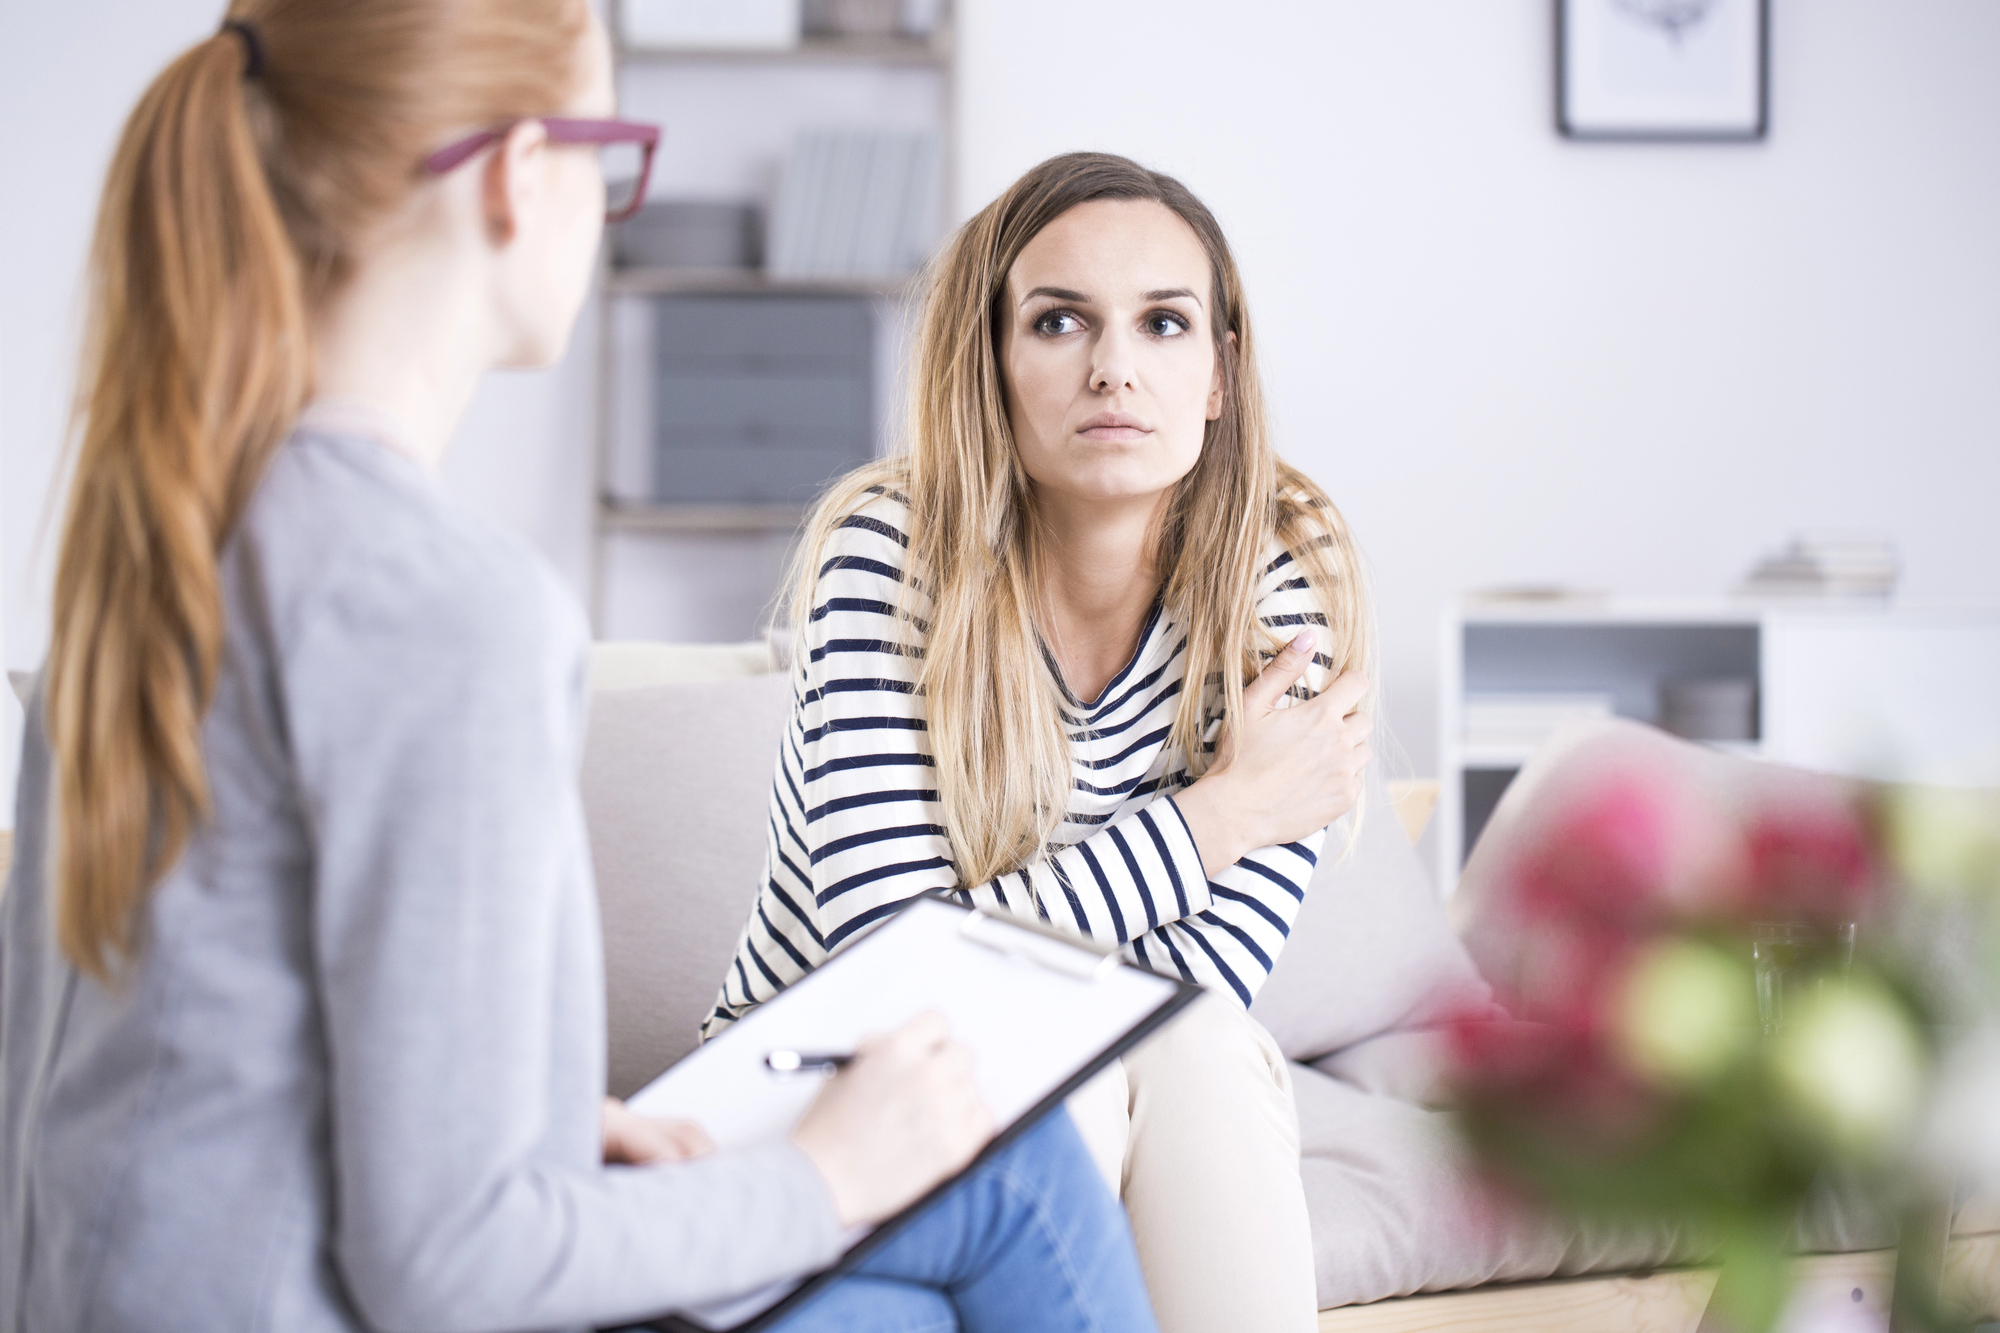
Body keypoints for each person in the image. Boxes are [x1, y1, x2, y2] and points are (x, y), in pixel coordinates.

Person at [0, 6, 1159, 1332]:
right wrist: (819, 1173)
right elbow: (453, 1268)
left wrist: (552, 1126)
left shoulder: (154, 556)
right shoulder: (442, 610)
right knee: (1010, 1181)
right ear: (514, 173)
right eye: (613, 155)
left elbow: (184, 1089)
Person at [707, 152, 1378, 1332]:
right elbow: (896, 975)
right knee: (1067, 1069)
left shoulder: (1275, 612)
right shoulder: (890, 556)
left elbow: (1197, 990)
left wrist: (1029, 925)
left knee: (1202, 1049)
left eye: (1163, 323)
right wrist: (1214, 818)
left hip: (1122, 1096)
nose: (1113, 366)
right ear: (994, 363)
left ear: (1219, 374)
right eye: (1059, 320)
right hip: (822, 1107)